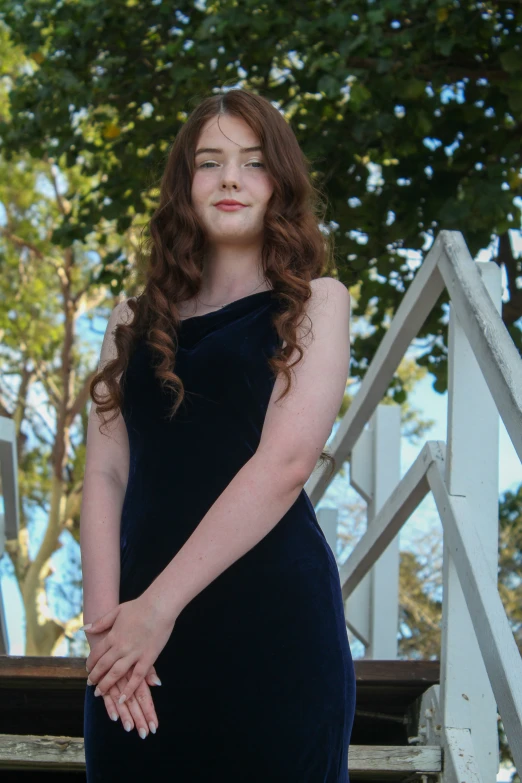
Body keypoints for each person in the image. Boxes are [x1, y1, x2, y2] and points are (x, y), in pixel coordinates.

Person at [80, 87, 355, 782]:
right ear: (185, 184)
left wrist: (158, 609)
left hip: (271, 625)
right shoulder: (127, 318)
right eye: (210, 162)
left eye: (253, 162)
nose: (230, 178)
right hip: (136, 641)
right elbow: (106, 474)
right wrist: (109, 633)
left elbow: (286, 461)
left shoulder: (317, 302)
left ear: (280, 182)